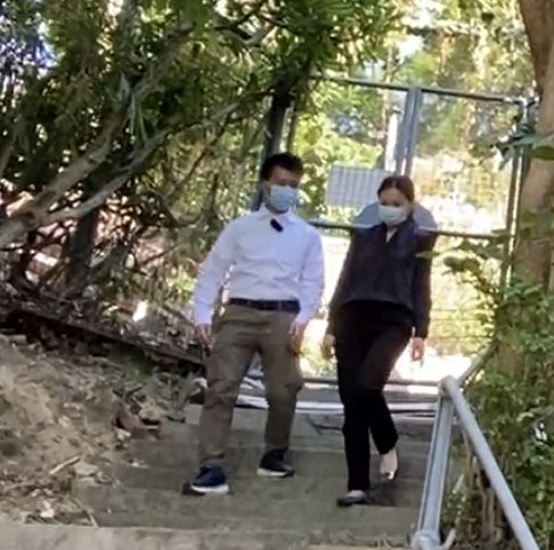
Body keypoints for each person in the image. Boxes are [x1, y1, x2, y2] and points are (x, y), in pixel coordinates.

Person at [186, 152, 324, 495]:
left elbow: (313, 282)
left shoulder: (307, 235)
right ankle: (211, 466)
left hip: (283, 316)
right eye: (281, 183)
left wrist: (303, 319)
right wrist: (202, 314)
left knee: (283, 389)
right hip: (239, 314)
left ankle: (275, 452)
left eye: (293, 185)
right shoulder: (240, 228)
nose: (287, 190)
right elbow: (214, 271)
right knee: (220, 388)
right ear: (266, 184)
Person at [325, 174, 435, 507]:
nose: (389, 209)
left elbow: (421, 285)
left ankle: (387, 441)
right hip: (353, 317)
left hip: (394, 320)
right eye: (384, 203)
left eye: (396, 204)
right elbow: (346, 279)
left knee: (368, 386)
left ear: (410, 206)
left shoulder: (420, 240)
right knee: (352, 402)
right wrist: (331, 325)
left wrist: (421, 330)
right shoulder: (363, 237)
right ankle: (357, 484)